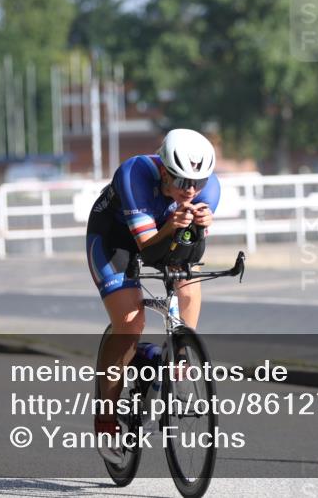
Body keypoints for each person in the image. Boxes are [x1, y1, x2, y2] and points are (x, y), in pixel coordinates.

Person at [85, 128, 220, 457]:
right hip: (114, 239)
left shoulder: (209, 187)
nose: (191, 190)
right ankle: (106, 419)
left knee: (188, 284)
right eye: (182, 181)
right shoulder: (135, 173)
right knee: (130, 322)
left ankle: (179, 358)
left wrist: (201, 226)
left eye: (197, 183)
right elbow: (145, 247)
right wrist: (174, 224)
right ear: (163, 170)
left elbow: (190, 252)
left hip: (162, 235)